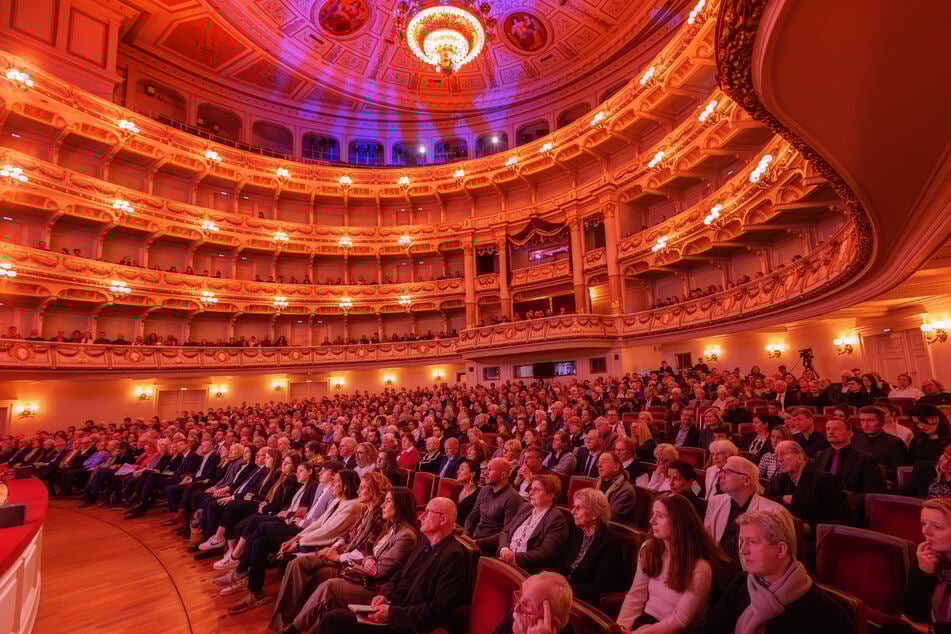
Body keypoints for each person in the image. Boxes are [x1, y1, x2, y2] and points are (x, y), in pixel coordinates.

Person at [314, 497, 470, 634]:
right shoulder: (424, 542)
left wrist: (392, 614)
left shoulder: (452, 556)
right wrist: (385, 596)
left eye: (428, 512)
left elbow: (439, 609)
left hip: (408, 625)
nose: (421, 516)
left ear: (443, 519)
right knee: (334, 616)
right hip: (394, 611)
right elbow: (400, 574)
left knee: (334, 620)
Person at [693, 510, 853, 634]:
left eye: (752, 542)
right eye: (741, 541)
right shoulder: (742, 582)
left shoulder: (825, 612)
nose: (742, 550)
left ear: (781, 550)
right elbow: (708, 629)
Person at [267, 471, 390, 630]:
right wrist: (333, 547)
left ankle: (294, 623)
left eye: (363, 488)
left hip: (349, 564)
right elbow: (346, 535)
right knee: (297, 563)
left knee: (314, 573)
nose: (359, 491)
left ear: (374, 490)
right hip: (338, 553)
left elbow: (366, 552)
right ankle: (286, 618)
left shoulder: (379, 518)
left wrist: (337, 556)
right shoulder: (366, 511)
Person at [618, 494, 733, 632]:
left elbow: (680, 620)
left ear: (679, 522)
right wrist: (621, 627)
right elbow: (636, 595)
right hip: (644, 623)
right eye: (653, 514)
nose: (651, 521)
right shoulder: (649, 549)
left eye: (660, 516)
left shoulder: (700, 568)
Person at [704, 456, 786, 565]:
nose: (720, 475)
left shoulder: (773, 511)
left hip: (753, 572)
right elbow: (707, 538)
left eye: (727, 472)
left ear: (746, 480)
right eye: (722, 471)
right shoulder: (715, 501)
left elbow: (782, 556)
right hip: (718, 566)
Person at [558, 488, 630, 604]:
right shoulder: (578, 532)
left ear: (595, 514)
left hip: (584, 603)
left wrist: (564, 591)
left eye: (579, 508)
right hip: (566, 592)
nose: (572, 512)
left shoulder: (609, 543)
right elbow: (562, 563)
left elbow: (599, 588)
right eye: (574, 506)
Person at [767, 440, 850, 533]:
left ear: (800, 457)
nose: (779, 459)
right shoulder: (777, 480)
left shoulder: (823, 479)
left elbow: (840, 519)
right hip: (784, 535)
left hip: (814, 538)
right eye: (777, 456)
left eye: (783, 454)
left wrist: (809, 527)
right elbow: (767, 502)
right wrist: (783, 498)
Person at [498, 474, 570, 573]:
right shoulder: (525, 507)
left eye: (536, 490)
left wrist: (513, 557)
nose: (530, 493)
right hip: (505, 560)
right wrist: (504, 549)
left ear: (550, 495)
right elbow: (505, 532)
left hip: (526, 570)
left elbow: (546, 554)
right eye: (531, 488)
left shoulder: (556, 520)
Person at [813, 417, 884, 501]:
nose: (831, 432)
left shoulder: (866, 460)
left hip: (849, 505)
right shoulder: (819, 455)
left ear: (850, 434)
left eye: (836, 429)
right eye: (828, 429)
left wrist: (846, 501)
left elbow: (871, 492)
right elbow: (814, 484)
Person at [464, 457, 523, 553]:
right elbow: (471, 517)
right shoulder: (484, 490)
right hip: (474, 540)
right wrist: (466, 535)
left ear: (503, 475)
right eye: (486, 468)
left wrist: (477, 542)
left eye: (490, 469)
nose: (485, 473)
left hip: (489, 548)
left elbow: (506, 533)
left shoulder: (513, 498)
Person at [491, 572, 575, 634]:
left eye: (527, 606)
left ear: (552, 623)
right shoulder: (517, 608)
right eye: (520, 594)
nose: (516, 608)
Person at [852, 406, 908, 479]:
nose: (865, 424)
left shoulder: (896, 443)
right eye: (862, 420)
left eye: (870, 420)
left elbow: (898, 471)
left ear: (881, 422)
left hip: (882, 482)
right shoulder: (854, 440)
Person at [594, 451, 637, 524]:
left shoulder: (626, 490)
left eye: (604, 462)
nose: (599, 465)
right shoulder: (598, 481)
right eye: (598, 462)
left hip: (615, 531)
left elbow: (610, 518)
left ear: (616, 467)